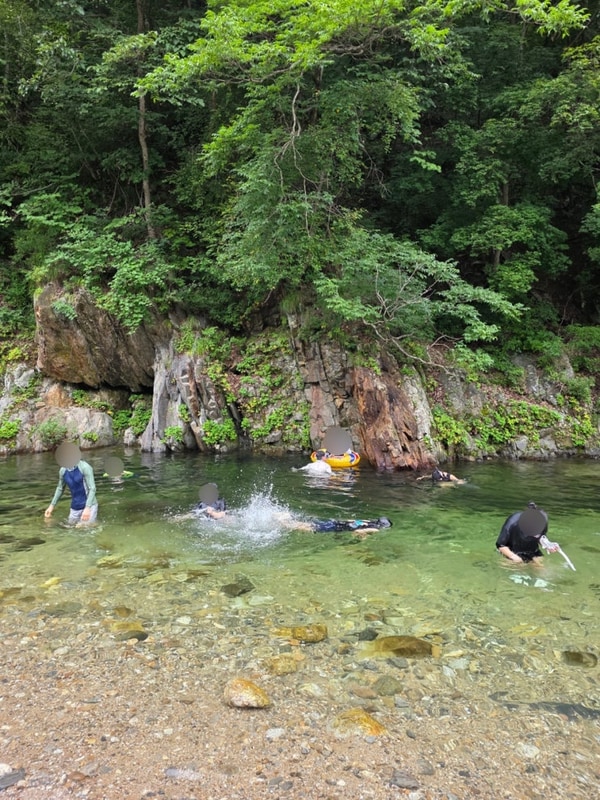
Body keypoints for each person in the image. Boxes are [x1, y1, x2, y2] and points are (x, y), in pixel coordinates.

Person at [45, 454, 98, 524]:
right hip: (75, 507)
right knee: (70, 529)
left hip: (90, 505)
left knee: (83, 528)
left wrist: (87, 508)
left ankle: (94, 524)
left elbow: (92, 489)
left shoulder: (85, 467)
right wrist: (51, 506)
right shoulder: (63, 471)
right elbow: (60, 488)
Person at [291, 516, 392, 538]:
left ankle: (289, 520)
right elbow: (357, 532)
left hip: (337, 522)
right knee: (311, 528)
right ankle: (287, 524)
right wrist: (365, 537)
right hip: (337, 528)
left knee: (313, 525)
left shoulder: (367, 521)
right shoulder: (375, 529)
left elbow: (350, 520)